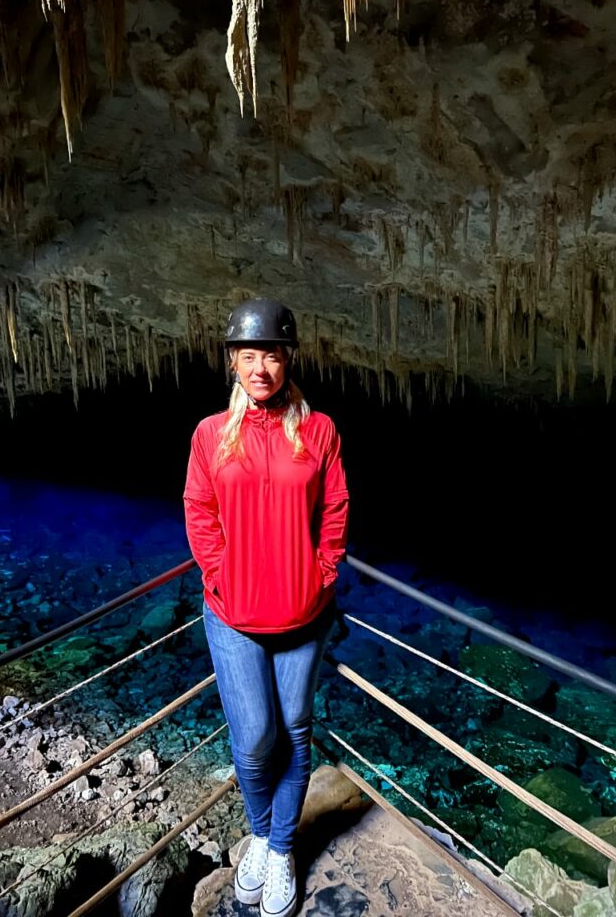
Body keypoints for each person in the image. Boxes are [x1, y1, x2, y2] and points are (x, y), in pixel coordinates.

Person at [183, 298, 349, 917]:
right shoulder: (209, 436)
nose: (260, 367)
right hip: (232, 614)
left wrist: (323, 574)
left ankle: (279, 849)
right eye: (248, 355)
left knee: (296, 730)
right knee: (255, 738)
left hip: (304, 615)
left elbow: (335, 510)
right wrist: (220, 575)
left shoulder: (319, 431)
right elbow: (199, 510)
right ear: (232, 362)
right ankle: (259, 830)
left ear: (287, 359)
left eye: (271, 355)